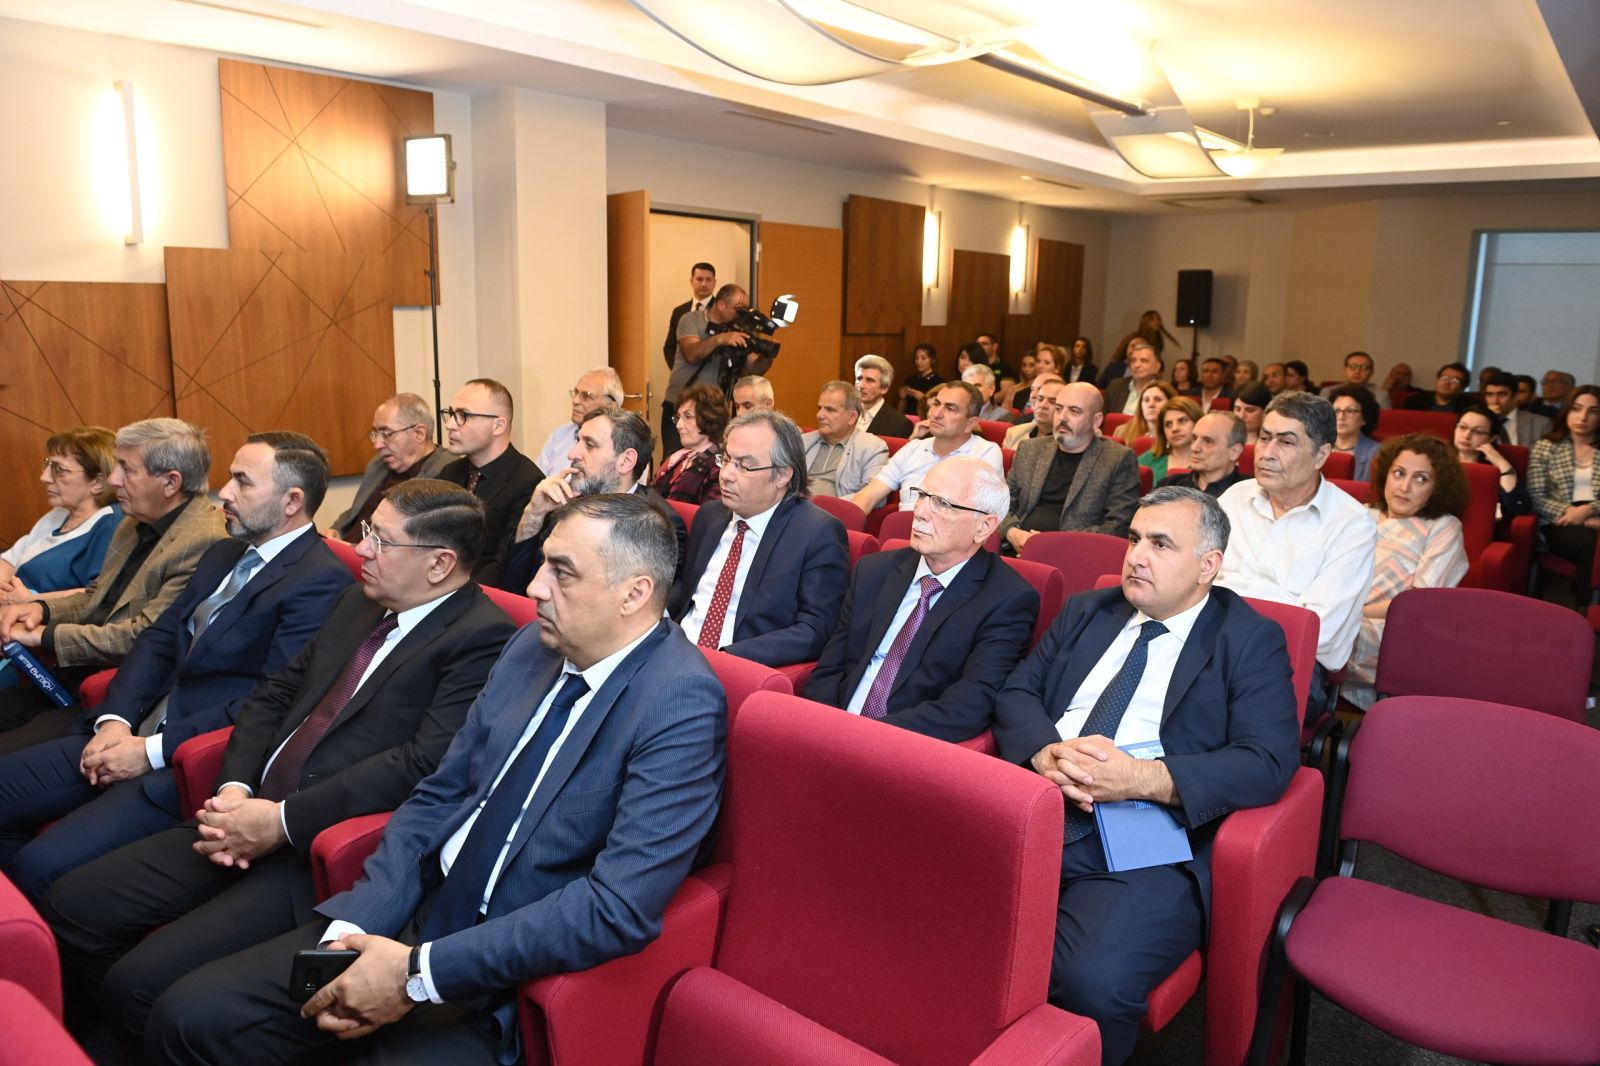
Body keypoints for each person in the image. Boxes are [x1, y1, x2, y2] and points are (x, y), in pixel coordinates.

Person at [141, 493, 725, 1066]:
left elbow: (615, 905)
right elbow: (440, 793)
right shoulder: (532, 646)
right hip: (413, 911)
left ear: (634, 593)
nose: (535, 587)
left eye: (562, 572)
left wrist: (416, 974)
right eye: (543, 563)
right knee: (188, 1016)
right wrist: (356, 926)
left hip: (497, 970)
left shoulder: (679, 701)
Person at [44, 480, 518, 1045]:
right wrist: (237, 788)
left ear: (439, 563)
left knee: (146, 987)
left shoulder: (482, 638)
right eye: (368, 531)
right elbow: (275, 693)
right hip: (242, 809)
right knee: (70, 905)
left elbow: (417, 766)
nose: (360, 549)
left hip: (309, 847)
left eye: (381, 541)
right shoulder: (362, 601)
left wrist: (280, 821)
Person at [996, 485, 1299, 1065]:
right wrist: (1043, 751)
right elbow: (1018, 691)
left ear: (1208, 565)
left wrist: (1141, 779)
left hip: (1148, 840)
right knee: (928, 910)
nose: (1135, 556)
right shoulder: (1089, 609)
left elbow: (1268, 761)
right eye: (1134, 539)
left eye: (1160, 544)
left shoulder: (1248, 638)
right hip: (1036, 802)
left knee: (1089, 980)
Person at [0, 434, 354, 899]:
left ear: (291, 501)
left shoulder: (321, 582)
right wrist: (114, 720)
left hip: (183, 762)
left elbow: (269, 701)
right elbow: (160, 639)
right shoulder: (225, 552)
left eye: (242, 482)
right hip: (127, 729)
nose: (225, 493)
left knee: (38, 866)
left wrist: (147, 750)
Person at [0, 419, 228, 733]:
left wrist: (43, 635)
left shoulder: (204, 541)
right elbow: (96, 598)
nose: (113, 479)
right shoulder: (133, 521)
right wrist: (40, 610)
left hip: (123, 693)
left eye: (126, 469)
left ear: (171, 482)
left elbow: (142, 635)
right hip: (77, 671)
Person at [805, 457, 1037, 742]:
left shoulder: (1007, 600)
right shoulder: (874, 571)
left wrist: (866, 738)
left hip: (903, 746)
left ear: (984, 527)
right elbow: (831, 666)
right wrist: (821, 728)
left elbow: (969, 705)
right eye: (923, 495)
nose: (920, 512)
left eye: (942, 503)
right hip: (829, 728)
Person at [1217, 392, 1378, 699]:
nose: (1267, 453)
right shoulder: (1235, 498)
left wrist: (1231, 591)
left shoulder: (1352, 524)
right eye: (1264, 438)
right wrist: (1285, 600)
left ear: (1321, 455)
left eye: (1286, 442)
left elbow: (1318, 629)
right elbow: (1195, 582)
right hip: (1212, 643)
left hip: (1293, 663)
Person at [670, 411, 848, 666]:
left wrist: (726, 657)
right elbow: (690, 594)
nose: (726, 474)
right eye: (726, 459)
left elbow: (815, 629)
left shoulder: (817, 533)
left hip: (736, 664)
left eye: (744, 466)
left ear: (782, 475)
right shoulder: (709, 516)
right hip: (675, 650)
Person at [498, 408, 688, 593]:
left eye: (589, 445)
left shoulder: (660, 524)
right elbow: (512, 585)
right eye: (578, 441)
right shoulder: (569, 502)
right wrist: (534, 514)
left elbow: (645, 606)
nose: (572, 454)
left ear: (625, 461)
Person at [1342, 435, 1470, 710]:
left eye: (1421, 479)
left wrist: (1353, 612)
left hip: (1392, 629)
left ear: (1437, 487)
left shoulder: (1443, 526)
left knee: (1310, 635)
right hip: (1338, 615)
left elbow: (1421, 603)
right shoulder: (1361, 514)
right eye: (1399, 473)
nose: (1404, 487)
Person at [1001, 382, 1142, 554]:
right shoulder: (1029, 449)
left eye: (1074, 411)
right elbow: (1002, 502)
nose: (1062, 418)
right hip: (1016, 546)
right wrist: (1012, 532)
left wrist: (1057, 543)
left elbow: (1119, 524)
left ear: (1096, 421)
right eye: (1059, 409)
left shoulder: (1117, 459)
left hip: (1075, 555)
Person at [0, 428, 120, 607]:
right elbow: (9, 559)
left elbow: (100, 594)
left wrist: (30, 600)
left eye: (59, 469)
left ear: (97, 482)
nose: (44, 477)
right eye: (48, 464)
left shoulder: (111, 523)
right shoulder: (59, 513)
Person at [439, 378, 542, 584]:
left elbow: (504, 565)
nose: (449, 425)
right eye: (451, 413)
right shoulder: (450, 472)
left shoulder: (527, 483)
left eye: (463, 415)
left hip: (482, 592)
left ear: (498, 425)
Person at [849, 382, 1003, 515]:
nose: (936, 414)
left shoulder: (985, 453)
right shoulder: (913, 448)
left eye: (950, 409)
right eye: (936, 404)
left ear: (970, 423)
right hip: (902, 533)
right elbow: (868, 496)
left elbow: (973, 514)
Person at [329, 395, 453, 541]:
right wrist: (337, 531)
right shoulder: (379, 463)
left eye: (386, 434)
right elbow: (356, 511)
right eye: (376, 434)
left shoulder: (446, 472)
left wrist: (354, 549)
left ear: (419, 433)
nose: (377, 444)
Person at [670, 283, 773, 440]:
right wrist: (721, 339)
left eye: (745, 308)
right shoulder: (691, 319)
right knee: (677, 452)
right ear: (721, 305)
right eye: (738, 308)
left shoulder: (737, 330)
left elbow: (755, 368)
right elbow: (692, 354)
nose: (741, 313)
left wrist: (768, 356)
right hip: (681, 405)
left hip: (713, 410)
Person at [1528, 386, 1600, 604]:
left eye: (1593, 411)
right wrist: (1574, 514)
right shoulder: (1545, 447)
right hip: (1558, 521)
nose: (1583, 417)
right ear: (1567, 411)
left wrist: (1589, 509)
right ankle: (1586, 606)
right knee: (1591, 541)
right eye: (1576, 409)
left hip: (1595, 514)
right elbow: (1536, 496)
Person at [801, 382, 889, 497]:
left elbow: (871, 495)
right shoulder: (803, 441)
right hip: (794, 504)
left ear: (852, 417)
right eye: (820, 408)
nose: (819, 415)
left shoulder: (872, 447)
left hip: (836, 507)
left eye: (830, 409)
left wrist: (829, 504)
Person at [536, 369, 624, 476]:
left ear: (611, 406)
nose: (575, 401)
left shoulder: (623, 443)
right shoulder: (560, 433)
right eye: (576, 393)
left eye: (586, 396)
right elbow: (538, 478)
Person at [1453, 405, 1533, 517]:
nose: (1466, 436)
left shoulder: (1494, 468)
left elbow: (1519, 507)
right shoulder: (1437, 457)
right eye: (1462, 427)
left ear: (1492, 438)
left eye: (1478, 432)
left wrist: (1501, 463)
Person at [653, 384, 727, 505]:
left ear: (710, 417)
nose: (678, 425)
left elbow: (710, 513)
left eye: (688, 416)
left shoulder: (720, 464)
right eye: (678, 418)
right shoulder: (679, 457)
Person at [1160, 411, 1248, 498]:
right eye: (1194, 438)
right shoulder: (1169, 487)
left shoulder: (1249, 494)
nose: (1194, 448)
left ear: (1234, 451)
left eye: (1208, 441)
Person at [661, 261, 716, 372]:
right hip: (683, 377)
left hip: (712, 376)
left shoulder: (720, 311)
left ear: (714, 282)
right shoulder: (679, 312)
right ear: (691, 281)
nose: (704, 284)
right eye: (699, 279)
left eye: (708, 280)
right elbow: (670, 347)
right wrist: (679, 371)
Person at [1138, 396, 1202, 484]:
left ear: (1198, 422)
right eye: (1168, 424)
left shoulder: (1210, 462)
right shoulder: (1146, 460)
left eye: (1182, 421)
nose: (1174, 429)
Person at [1327, 384, 1382, 481]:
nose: (1341, 417)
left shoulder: (1376, 453)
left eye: (1350, 411)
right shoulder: (1317, 447)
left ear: (1365, 418)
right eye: (1336, 411)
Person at [1482, 371, 1551, 446]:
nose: (1495, 401)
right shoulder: (1477, 421)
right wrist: (1488, 419)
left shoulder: (1541, 423)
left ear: (1515, 397)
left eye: (1502, 395)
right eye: (1490, 395)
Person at [856, 354, 915, 437]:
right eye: (859, 378)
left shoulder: (900, 424)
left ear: (884, 388)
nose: (861, 385)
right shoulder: (843, 413)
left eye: (870, 380)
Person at [1004, 376, 1067, 449]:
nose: (1043, 405)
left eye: (1053, 402)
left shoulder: (1068, 442)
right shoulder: (1014, 433)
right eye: (1040, 399)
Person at [1104, 341, 1163, 417]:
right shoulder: (1116, 386)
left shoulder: (1164, 391)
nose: (1137, 365)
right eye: (1133, 361)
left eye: (1144, 360)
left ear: (1157, 366)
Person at [1112, 381, 1177, 448]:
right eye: (1146, 400)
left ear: (1171, 404)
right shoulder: (1122, 432)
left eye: (1158, 400)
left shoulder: (1177, 434)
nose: (1151, 405)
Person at [1402, 362, 1470, 413]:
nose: (1447, 383)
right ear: (1437, 380)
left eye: (1454, 380)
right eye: (1444, 378)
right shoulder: (1414, 402)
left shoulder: (1469, 407)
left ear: (1462, 387)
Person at [899, 343, 943, 416]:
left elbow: (939, 409)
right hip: (908, 418)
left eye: (923, 358)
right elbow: (901, 410)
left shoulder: (939, 382)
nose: (919, 362)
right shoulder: (910, 380)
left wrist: (922, 398)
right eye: (916, 358)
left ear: (932, 360)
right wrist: (902, 398)